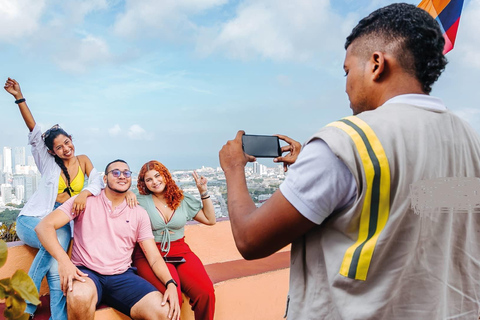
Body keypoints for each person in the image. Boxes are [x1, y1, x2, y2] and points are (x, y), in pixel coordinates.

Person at [219, 3, 480, 319]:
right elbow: (419, 199)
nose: (345, 85)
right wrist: (334, 172)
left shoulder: (346, 140)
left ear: (376, 64)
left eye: (346, 71)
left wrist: (234, 168)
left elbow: (250, 240)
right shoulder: (468, 138)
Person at [3, 77, 111, 319]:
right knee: (59, 240)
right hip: (34, 219)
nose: (65, 148)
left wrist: (84, 193)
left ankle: (55, 316)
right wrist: (19, 97)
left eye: (67, 142)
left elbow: (97, 181)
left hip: (62, 219)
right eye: (59, 147)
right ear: (51, 151)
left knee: (55, 264)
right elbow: (34, 131)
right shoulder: (48, 163)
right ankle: (27, 305)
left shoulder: (83, 160)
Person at [35, 159, 180, 320]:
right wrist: (64, 262)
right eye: (115, 172)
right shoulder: (84, 202)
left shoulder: (139, 212)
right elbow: (44, 227)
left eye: (126, 173)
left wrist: (171, 283)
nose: (122, 176)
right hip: (87, 273)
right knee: (78, 297)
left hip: (122, 276)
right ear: (105, 179)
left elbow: (153, 257)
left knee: (165, 313)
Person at [133, 160, 216, 320]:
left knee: (205, 293)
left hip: (180, 251)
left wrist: (203, 191)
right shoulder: (139, 201)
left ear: (165, 175)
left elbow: (210, 219)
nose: (155, 182)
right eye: (148, 179)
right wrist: (128, 194)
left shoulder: (181, 198)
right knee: (173, 299)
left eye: (157, 176)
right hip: (149, 254)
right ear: (144, 183)